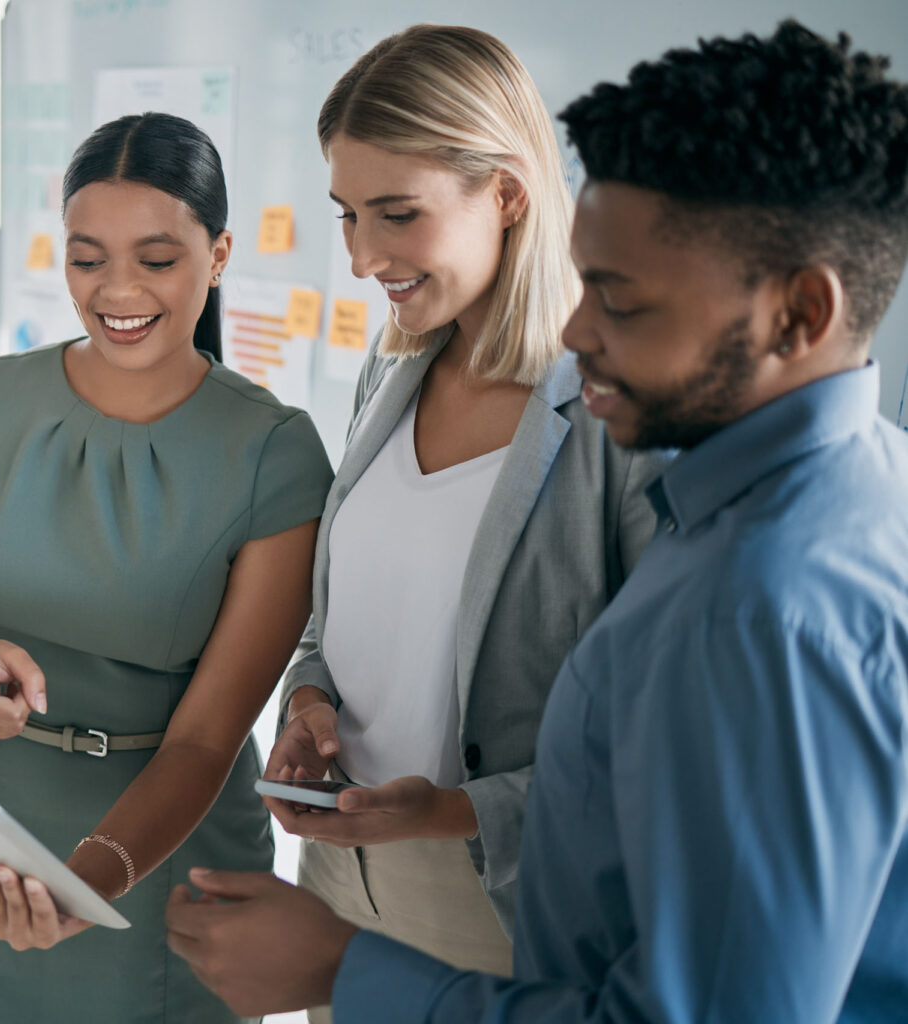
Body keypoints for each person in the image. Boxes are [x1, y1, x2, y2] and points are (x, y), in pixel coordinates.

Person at [166, 19, 908, 1022]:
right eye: (347, 214)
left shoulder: (755, 599)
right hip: (372, 875)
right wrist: (311, 700)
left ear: (800, 316)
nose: (575, 329)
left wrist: (349, 967)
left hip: (484, 919)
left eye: (620, 298)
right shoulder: (806, 498)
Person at [258, 24, 665, 1012]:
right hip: (339, 874)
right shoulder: (392, 367)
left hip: (499, 896)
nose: (361, 258)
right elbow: (339, 608)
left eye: (396, 214)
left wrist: (449, 811)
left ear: (507, 195)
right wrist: (308, 702)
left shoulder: (620, 416)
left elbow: (655, 732)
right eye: (348, 215)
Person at [0, 111, 333, 1022]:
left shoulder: (274, 454)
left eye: (158, 257)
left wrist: (83, 886)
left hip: (167, 854)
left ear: (217, 257)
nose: (116, 289)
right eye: (88, 257)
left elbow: (207, 741)